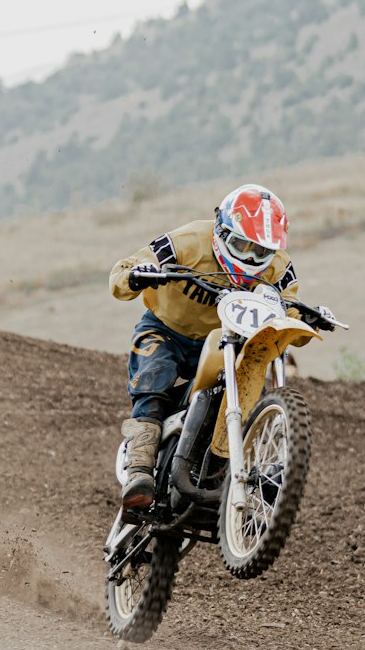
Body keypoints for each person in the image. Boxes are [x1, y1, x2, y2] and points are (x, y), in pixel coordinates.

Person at [110, 183, 316, 513]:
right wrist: (139, 274)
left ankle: (240, 465)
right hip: (166, 331)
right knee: (153, 378)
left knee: (251, 380)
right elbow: (121, 275)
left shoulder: (279, 267)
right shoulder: (187, 241)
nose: (249, 257)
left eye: (259, 252)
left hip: (227, 341)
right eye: (241, 244)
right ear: (221, 230)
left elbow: (291, 312)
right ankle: (139, 471)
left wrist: (304, 319)